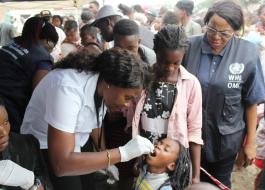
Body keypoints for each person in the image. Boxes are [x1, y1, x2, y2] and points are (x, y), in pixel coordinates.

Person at [20, 48, 154, 190]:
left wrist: (106, 158)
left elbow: (93, 121)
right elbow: (61, 164)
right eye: (127, 98)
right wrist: (122, 153)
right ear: (110, 83)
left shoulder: (102, 86)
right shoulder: (67, 89)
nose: (127, 105)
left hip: (75, 141)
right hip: (43, 146)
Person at [183, 1, 265, 187]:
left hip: (225, 139)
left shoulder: (247, 52)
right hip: (188, 136)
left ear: (236, 31)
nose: (216, 37)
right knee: (187, 182)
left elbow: (251, 100)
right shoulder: (189, 46)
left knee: (219, 183)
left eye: (225, 33)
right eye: (211, 29)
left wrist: (250, 143)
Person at [132, 25, 203, 184]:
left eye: (176, 63)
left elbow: (195, 131)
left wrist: (196, 176)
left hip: (174, 165)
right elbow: (134, 123)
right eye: (164, 62)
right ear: (155, 53)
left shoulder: (191, 84)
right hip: (147, 158)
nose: (170, 68)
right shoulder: (144, 78)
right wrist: (136, 159)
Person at [0, 17, 58, 133]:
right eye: (53, 45)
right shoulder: (43, 58)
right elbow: (39, 95)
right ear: (48, 41)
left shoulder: (8, 46)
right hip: (13, 115)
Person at [0, 98, 50, 190]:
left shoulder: (28, 145)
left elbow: (47, 186)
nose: (3, 132)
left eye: (6, 122)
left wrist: (30, 181)